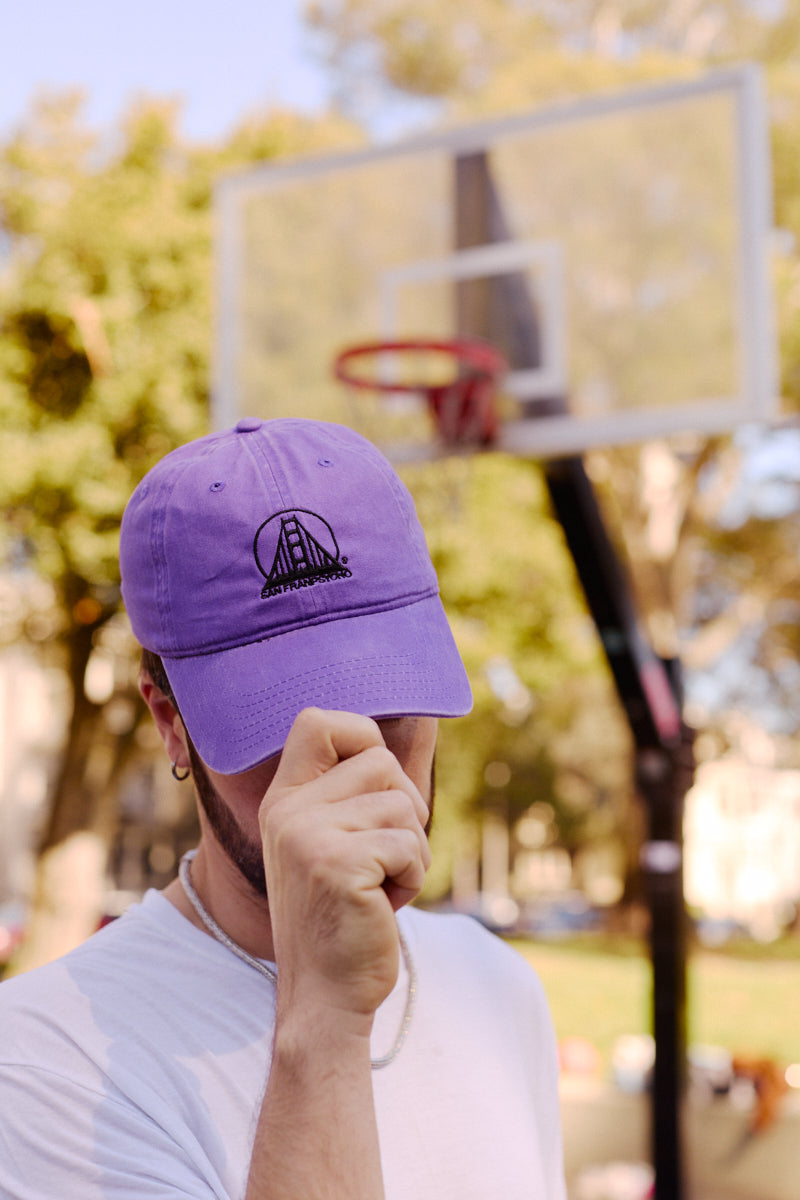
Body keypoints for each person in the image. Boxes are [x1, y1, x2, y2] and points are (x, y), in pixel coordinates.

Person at [0, 417, 566, 1199]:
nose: (352, 747)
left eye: (387, 689)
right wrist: (323, 1026)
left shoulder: (496, 985)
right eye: (281, 714)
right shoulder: (45, 1058)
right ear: (171, 721)